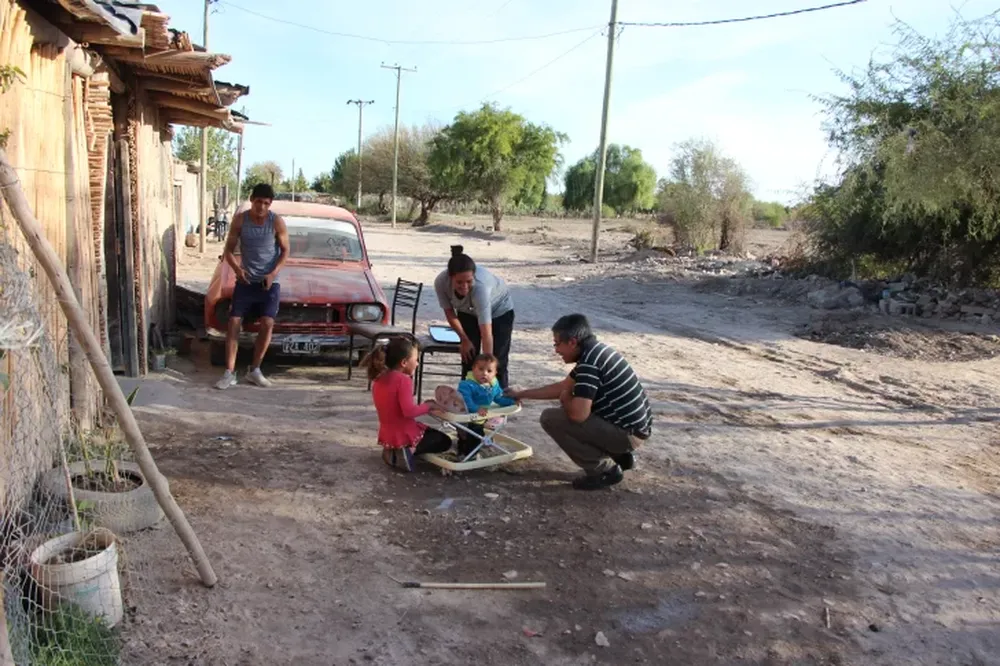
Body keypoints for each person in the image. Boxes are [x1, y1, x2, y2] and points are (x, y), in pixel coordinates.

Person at [506, 314, 653, 490]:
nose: (556, 350)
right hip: (634, 429)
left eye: (557, 344)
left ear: (572, 342)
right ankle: (619, 455)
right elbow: (563, 386)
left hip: (627, 435)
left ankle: (603, 471)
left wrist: (566, 399)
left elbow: (578, 415)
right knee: (574, 407)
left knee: (551, 418)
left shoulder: (589, 364)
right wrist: (522, 393)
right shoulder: (596, 352)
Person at [214, 183, 290, 390]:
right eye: (258, 202)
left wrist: (272, 274)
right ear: (251, 200)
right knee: (234, 322)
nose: (261, 207)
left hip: (269, 283)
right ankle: (229, 372)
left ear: (270, 204)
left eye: (266, 203)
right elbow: (228, 251)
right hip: (246, 281)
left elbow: (285, 251)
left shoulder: (276, 222)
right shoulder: (241, 220)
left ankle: (255, 370)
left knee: (267, 322)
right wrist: (238, 270)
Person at [434, 245, 515, 389]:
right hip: (467, 310)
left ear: (474, 276)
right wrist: (464, 340)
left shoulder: (481, 288)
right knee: (468, 356)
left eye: (468, 281)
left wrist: (487, 369)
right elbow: (450, 313)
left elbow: (486, 333)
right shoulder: (441, 282)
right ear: (450, 278)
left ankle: (498, 397)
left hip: (499, 311)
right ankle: (467, 394)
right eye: (459, 282)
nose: (464, 286)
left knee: (497, 361)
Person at [368, 337, 451, 472]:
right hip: (405, 433)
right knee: (444, 441)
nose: (417, 364)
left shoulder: (379, 378)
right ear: (404, 362)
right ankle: (409, 450)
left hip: (388, 433)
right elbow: (409, 411)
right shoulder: (403, 380)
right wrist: (428, 406)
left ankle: (392, 450)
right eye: (416, 360)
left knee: (427, 430)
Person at [454, 353, 517, 457]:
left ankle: (466, 451)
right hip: (467, 416)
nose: (484, 373)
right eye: (480, 369)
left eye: (489, 371)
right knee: (472, 437)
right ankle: (468, 455)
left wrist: (512, 402)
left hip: (481, 417)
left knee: (476, 435)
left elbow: (498, 398)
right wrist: (476, 408)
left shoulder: (493, 384)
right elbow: (465, 401)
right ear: (473, 369)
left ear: (495, 373)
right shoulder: (466, 385)